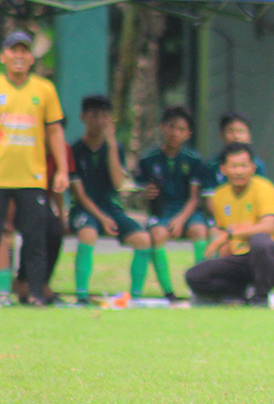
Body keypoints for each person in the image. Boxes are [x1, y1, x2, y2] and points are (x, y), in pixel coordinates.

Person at [0, 30, 69, 306]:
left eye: (24, 51)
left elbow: (54, 132)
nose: (19, 56)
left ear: (32, 58)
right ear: (4, 56)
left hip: (32, 176)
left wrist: (62, 170)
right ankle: (3, 292)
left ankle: (36, 293)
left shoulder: (44, 89)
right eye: (13, 50)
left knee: (35, 237)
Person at [185, 142, 274, 307]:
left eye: (243, 166)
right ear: (223, 169)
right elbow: (224, 240)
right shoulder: (219, 196)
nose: (239, 171)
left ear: (253, 168)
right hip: (242, 259)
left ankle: (261, 299)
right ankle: (240, 295)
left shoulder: (264, 188)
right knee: (194, 276)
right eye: (234, 166)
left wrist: (229, 234)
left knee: (259, 240)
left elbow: (268, 226)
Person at [68, 95, 152, 304]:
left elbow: (118, 183)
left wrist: (113, 145)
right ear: (83, 117)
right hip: (84, 209)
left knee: (143, 240)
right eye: (94, 115)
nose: (100, 121)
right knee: (88, 234)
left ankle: (136, 297)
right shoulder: (74, 150)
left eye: (105, 116)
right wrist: (102, 219)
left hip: (111, 208)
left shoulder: (116, 149)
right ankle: (81, 296)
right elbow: (79, 194)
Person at [134, 106, 208, 302]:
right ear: (162, 127)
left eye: (181, 129)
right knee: (157, 235)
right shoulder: (148, 159)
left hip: (187, 211)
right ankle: (169, 293)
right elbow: (140, 194)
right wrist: (145, 193)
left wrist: (181, 219)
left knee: (200, 231)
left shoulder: (194, 160)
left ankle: (200, 289)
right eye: (171, 127)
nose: (175, 133)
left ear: (188, 134)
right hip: (161, 211)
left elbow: (194, 198)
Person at [206, 112, 267, 191]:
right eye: (231, 131)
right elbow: (210, 197)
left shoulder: (258, 166)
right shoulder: (212, 166)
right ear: (221, 135)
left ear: (249, 136)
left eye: (241, 131)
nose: (236, 136)